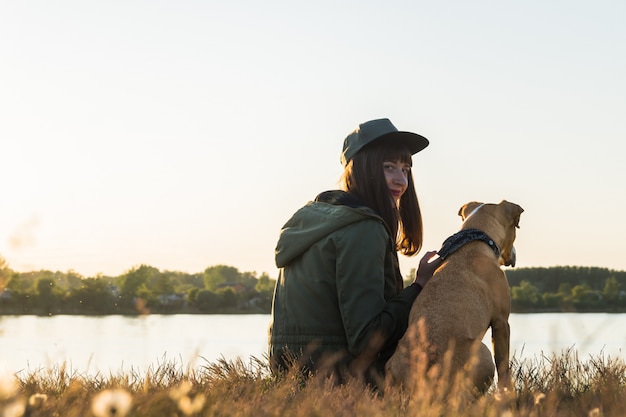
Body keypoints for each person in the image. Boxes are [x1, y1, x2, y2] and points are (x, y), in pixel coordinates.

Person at [268, 118, 441, 385]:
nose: (400, 180)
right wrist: (419, 286)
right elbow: (367, 340)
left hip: (292, 377)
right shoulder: (362, 230)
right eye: (389, 167)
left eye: (405, 169)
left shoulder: (316, 219)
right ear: (362, 169)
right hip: (340, 380)